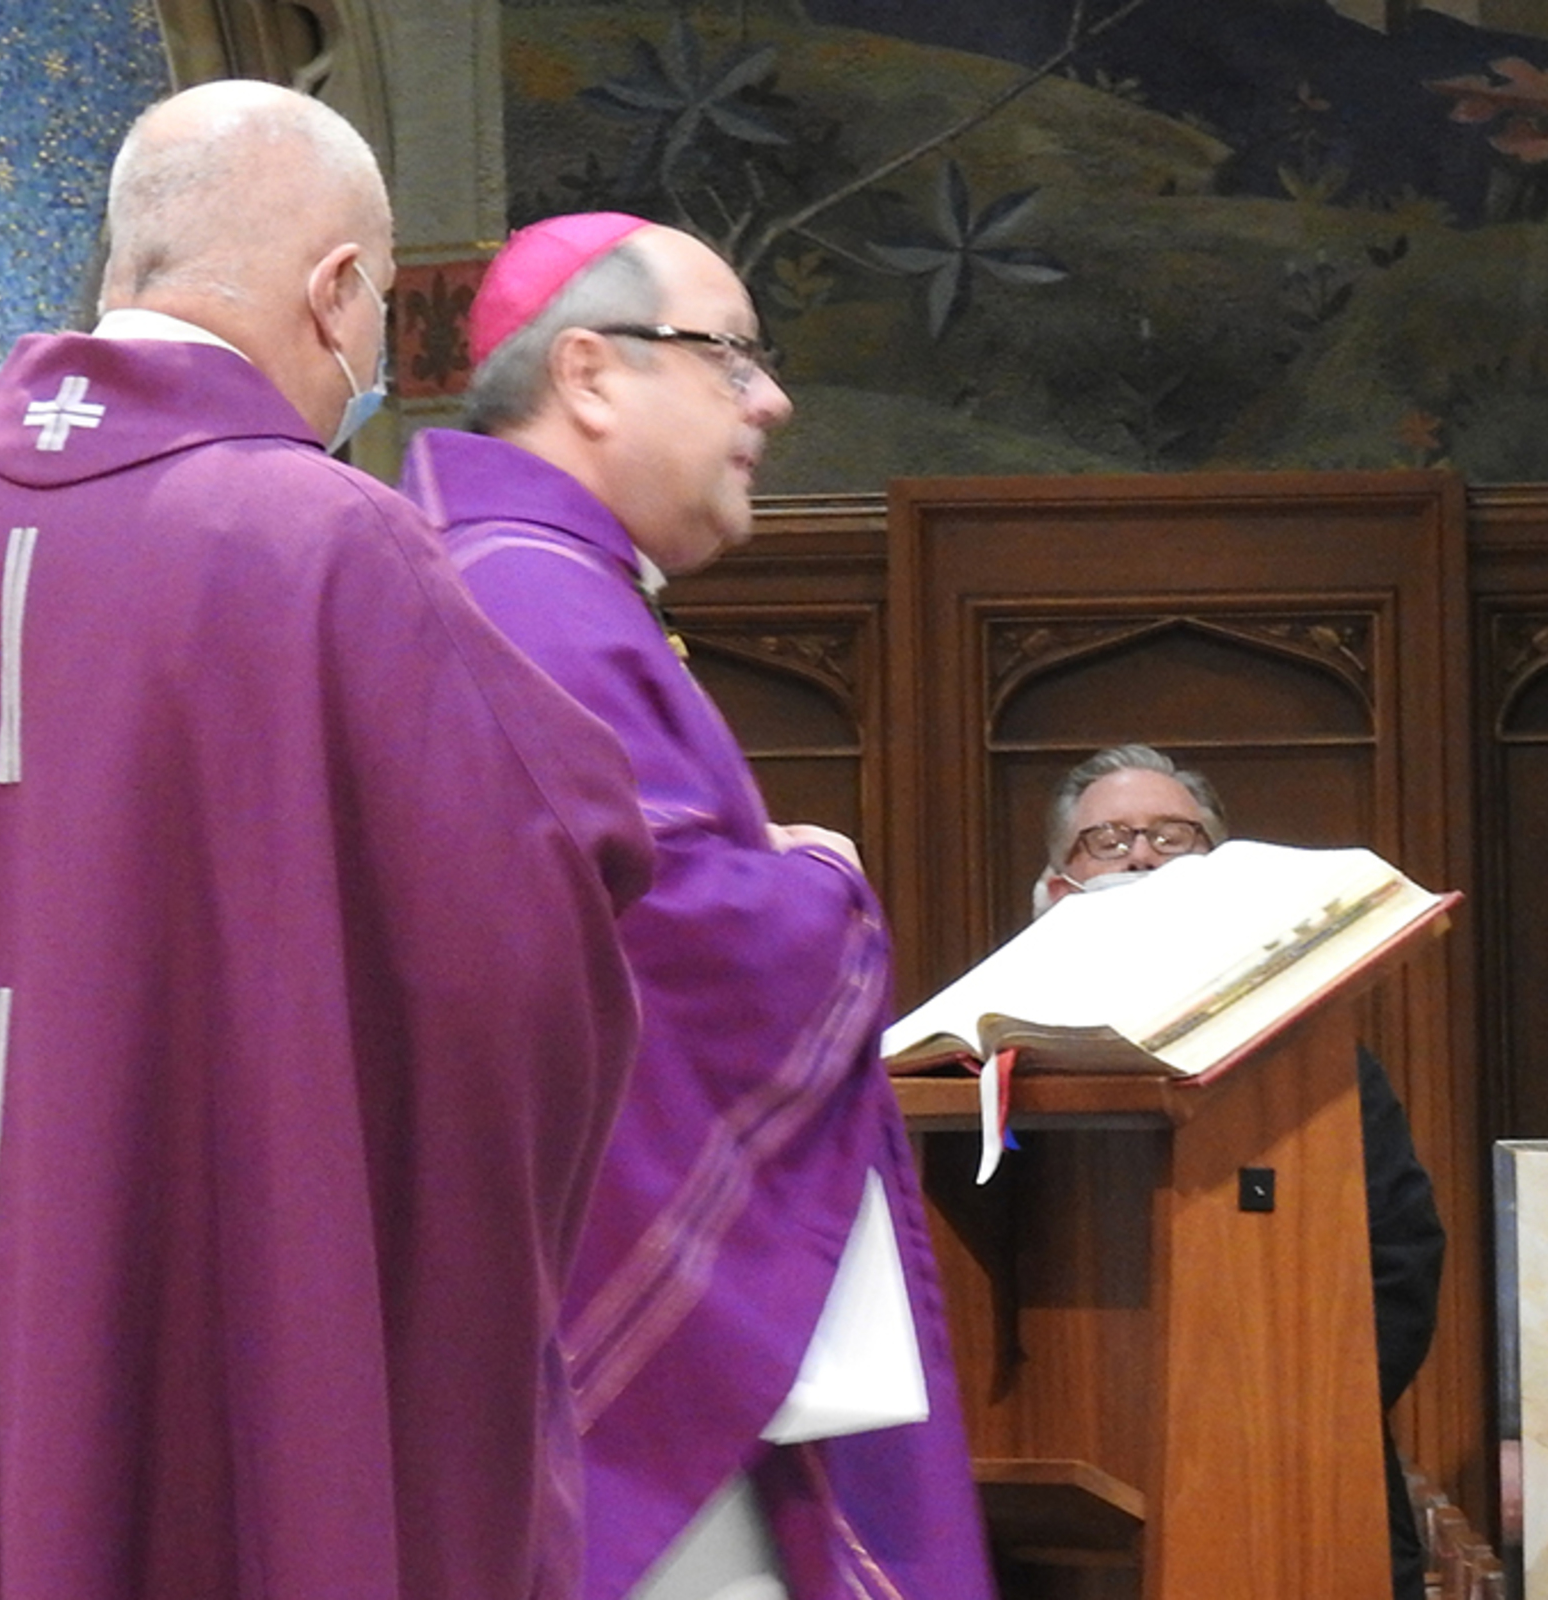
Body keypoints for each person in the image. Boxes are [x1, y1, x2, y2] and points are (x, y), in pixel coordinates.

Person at [0, 82, 655, 1600]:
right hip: (201, 1287)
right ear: (337, 290)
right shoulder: (327, 541)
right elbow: (525, 925)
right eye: (377, 309)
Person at [400, 213, 994, 1600]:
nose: (769, 399)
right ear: (590, 373)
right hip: (609, 1370)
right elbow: (659, 943)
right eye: (730, 355)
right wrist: (822, 889)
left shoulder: (526, 580)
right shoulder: (531, 599)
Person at [1036, 743, 1450, 1600]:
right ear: (1057, 888)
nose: (1142, 857)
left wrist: (1298, 1416)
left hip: (1305, 1475)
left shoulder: (1319, 1060)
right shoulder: (998, 1063)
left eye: (1172, 837)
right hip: (1072, 1507)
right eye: (1107, 841)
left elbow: (1400, 1256)